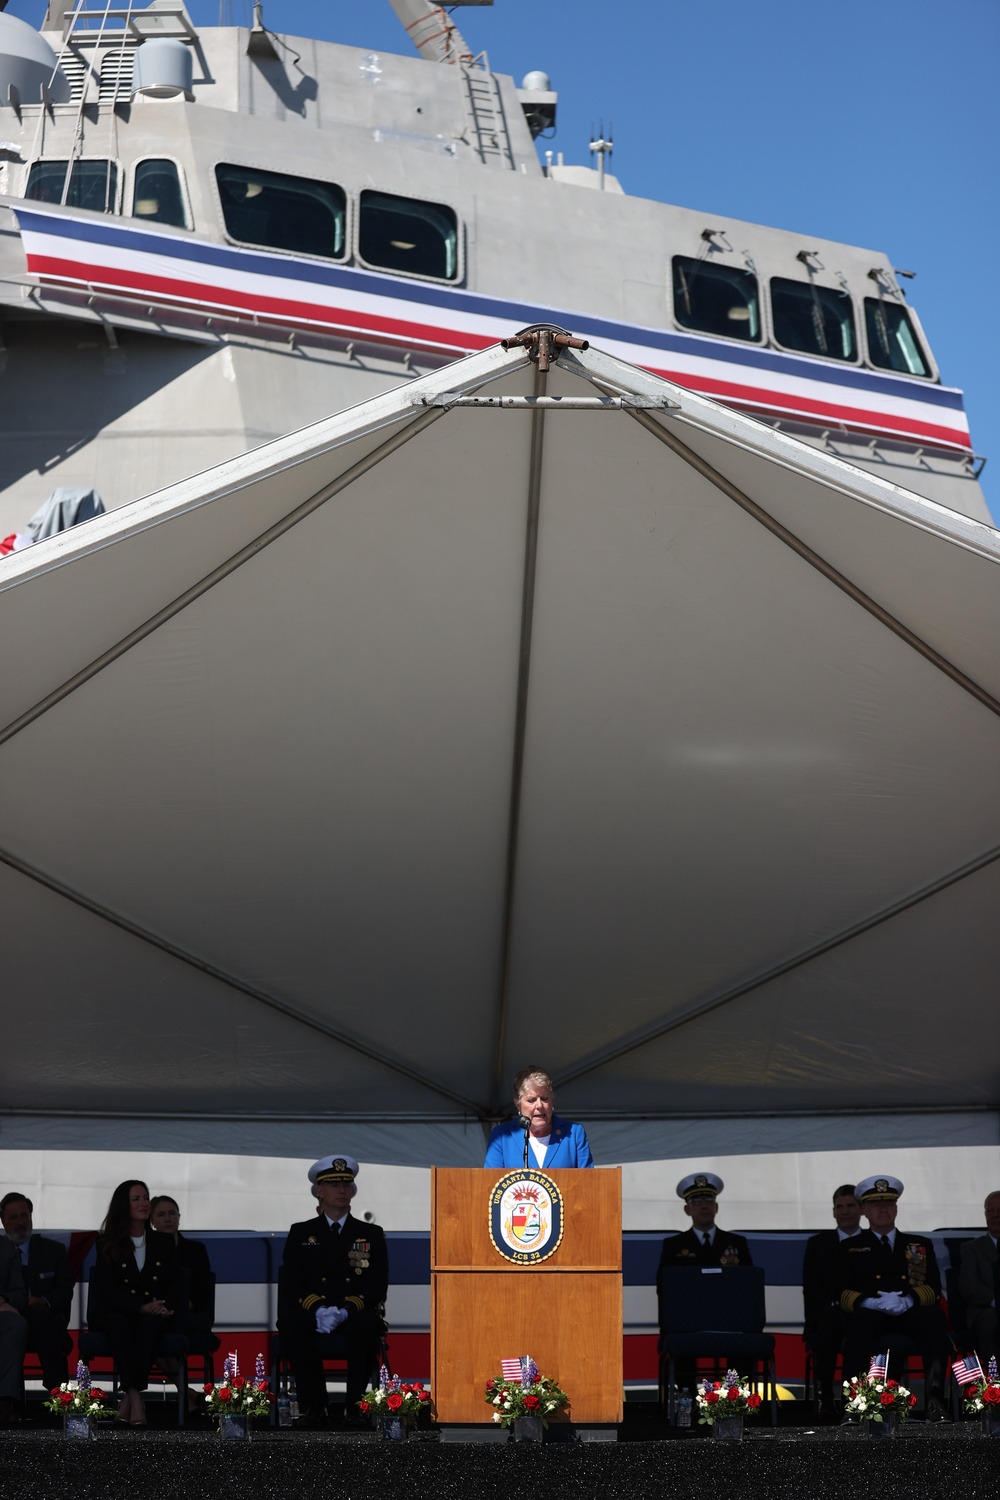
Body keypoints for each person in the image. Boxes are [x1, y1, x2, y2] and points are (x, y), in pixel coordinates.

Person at [278, 1155, 388, 1429]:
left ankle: (356, 1407)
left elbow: (377, 1284)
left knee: (367, 1324)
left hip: (352, 1311)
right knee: (291, 1323)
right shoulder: (301, 1232)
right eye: (334, 1185)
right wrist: (317, 1309)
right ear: (319, 1191)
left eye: (346, 1184)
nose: (342, 1190)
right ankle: (313, 1406)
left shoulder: (370, 1233)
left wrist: (347, 1309)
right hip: (313, 1311)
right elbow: (291, 1282)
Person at [835, 1174, 949, 1422]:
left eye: (888, 1203)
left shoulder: (918, 1244)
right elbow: (841, 1291)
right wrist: (870, 1302)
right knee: (857, 1323)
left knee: (935, 1318)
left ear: (896, 1208)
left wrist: (907, 1301)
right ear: (864, 1210)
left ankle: (935, 1399)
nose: (883, 1209)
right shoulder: (850, 1247)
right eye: (876, 1204)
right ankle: (856, 1402)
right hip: (871, 1315)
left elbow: (932, 1286)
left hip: (910, 1313)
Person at [88, 1180, 179, 1426]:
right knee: (120, 1325)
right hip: (115, 1310)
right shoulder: (106, 1242)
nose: (144, 1203)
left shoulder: (163, 1241)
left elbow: (173, 1282)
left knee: (149, 1326)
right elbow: (108, 1290)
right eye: (136, 1198)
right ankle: (137, 1397)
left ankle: (128, 1398)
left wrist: (161, 1305)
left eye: (146, 1197)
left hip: (152, 1313)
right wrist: (140, 1306)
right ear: (123, 1205)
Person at [0, 1192, 73, 1398]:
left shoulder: (53, 1250)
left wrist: (42, 1301)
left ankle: (59, 1395)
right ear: (3, 1221)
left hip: (41, 1316)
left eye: (24, 1216)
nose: (20, 1222)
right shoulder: (2, 1251)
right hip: (7, 1317)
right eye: (13, 1218)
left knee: (43, 1319)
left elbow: (65, 1291)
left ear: (31, 1216)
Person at [801, 1184, 862, 1419]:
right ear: (833, 1211)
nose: (845, 1211)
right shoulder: (818, 1244)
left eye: (850, 1206)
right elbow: (812, 1287)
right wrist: (835, 1305)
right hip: (828, 1314)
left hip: (864, 1314)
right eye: (840, 1207)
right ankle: (826, 1397)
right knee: (826, 1330)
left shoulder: (872, 1241)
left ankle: (858, 1400)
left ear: (861, 1210)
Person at [483, 1068, 594, 1168]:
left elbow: (588, 1182)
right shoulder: (502, 1135)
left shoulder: (574, 1133)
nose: (539, 1105)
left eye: (545, 1098)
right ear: (518, 1104)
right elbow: (491, 1183)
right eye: (531, 1100)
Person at [149, 1196, 216, 1338]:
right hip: (155, 1312)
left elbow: (203, 1290)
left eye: (172, 1213)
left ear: (179, 1217)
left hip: (190, 1312)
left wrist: (179, 1307)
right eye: (161, 1215)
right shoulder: (145, 1251)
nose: (167, 1219)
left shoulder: (196, 1250)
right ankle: (173, 1361)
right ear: (152, 1221)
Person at [658, 1173, 753, 1268]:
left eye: (709, 1200)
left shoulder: (737, 1242)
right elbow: (664, 1281)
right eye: (697, 1202)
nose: (704, 1206)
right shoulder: (674, 1245)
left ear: (716, 1207)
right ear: (687, 1210)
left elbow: (749, 1278)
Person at [958, 1190, 1000, 1365]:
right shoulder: (972, 1248)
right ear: (985, 1215)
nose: (995, 1216)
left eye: (999, 1211)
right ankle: (995, 1382)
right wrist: (995, 1300)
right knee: (991, 1322)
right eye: (991, 1211)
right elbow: (969, 1285)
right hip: (986, 1309)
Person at [0, 1236, 27, 1428]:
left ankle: (3, 1402)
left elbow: (19, 1294)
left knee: (15, 1324)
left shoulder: (6, 1247)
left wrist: (4, 1299)